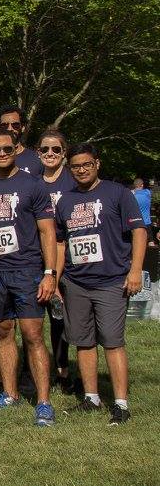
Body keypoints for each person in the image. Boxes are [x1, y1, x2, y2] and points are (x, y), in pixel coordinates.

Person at [0, 129, 58, 426]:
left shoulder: (33, 185)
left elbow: (47, 232)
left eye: (7, 149)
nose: (2, 154)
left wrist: (49, 273)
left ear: (17, 149)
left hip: (27, 271)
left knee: (33, 335)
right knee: (2, 332)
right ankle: (9, 394)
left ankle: (43, 402)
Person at [55, 143, 146, 425]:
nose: (81, 170)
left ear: (97, 164)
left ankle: (120, 404)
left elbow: (139, 232)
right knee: (83, 342)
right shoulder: (65, 201)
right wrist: (55, 278)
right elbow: (60, 242)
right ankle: (91, 398)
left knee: (112, 341)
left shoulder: (118, 193)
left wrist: (135, 271)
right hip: (76, 282)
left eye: (87, 164)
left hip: (111, 281)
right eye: (76, 166)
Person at [36, 128, 77, 391]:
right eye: (45, 149)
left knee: (60, 317)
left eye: (56, 149)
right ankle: (32, 369)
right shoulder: (32, 183)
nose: (50, 154)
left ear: (64, 153)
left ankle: (63, 370)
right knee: (33, 319)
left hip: (69, 258)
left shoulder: (73, 182)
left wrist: (55, 274)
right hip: (37, 258)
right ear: (38, 153)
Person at [0, 106, 42, 175]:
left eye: (15, 125)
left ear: (23, 128)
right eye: (4, 125)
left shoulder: (36, 160)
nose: (10, 129)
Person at [131, 178, 153, 245]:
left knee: (137, 242)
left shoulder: (132, 195)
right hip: (147, 222)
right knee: (150, 242)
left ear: (134, 185)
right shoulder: (148, 192)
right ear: (142, 185)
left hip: (136, 222)